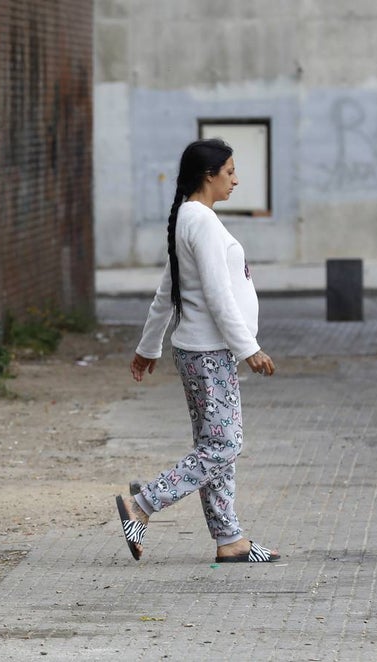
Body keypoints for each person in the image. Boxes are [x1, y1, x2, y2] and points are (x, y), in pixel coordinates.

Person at [115, 138, 281, 564]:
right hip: (209, 353)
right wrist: (250, 349)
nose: (236, 180)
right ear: (209, 175)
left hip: (201, 352)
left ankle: (231, 540)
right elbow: (218, 294)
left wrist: (148, 347)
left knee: (215, 446)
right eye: (229, 172)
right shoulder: (201, 222)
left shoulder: (189, 218)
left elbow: (165, 292)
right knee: (223, 446)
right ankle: (143, 504)